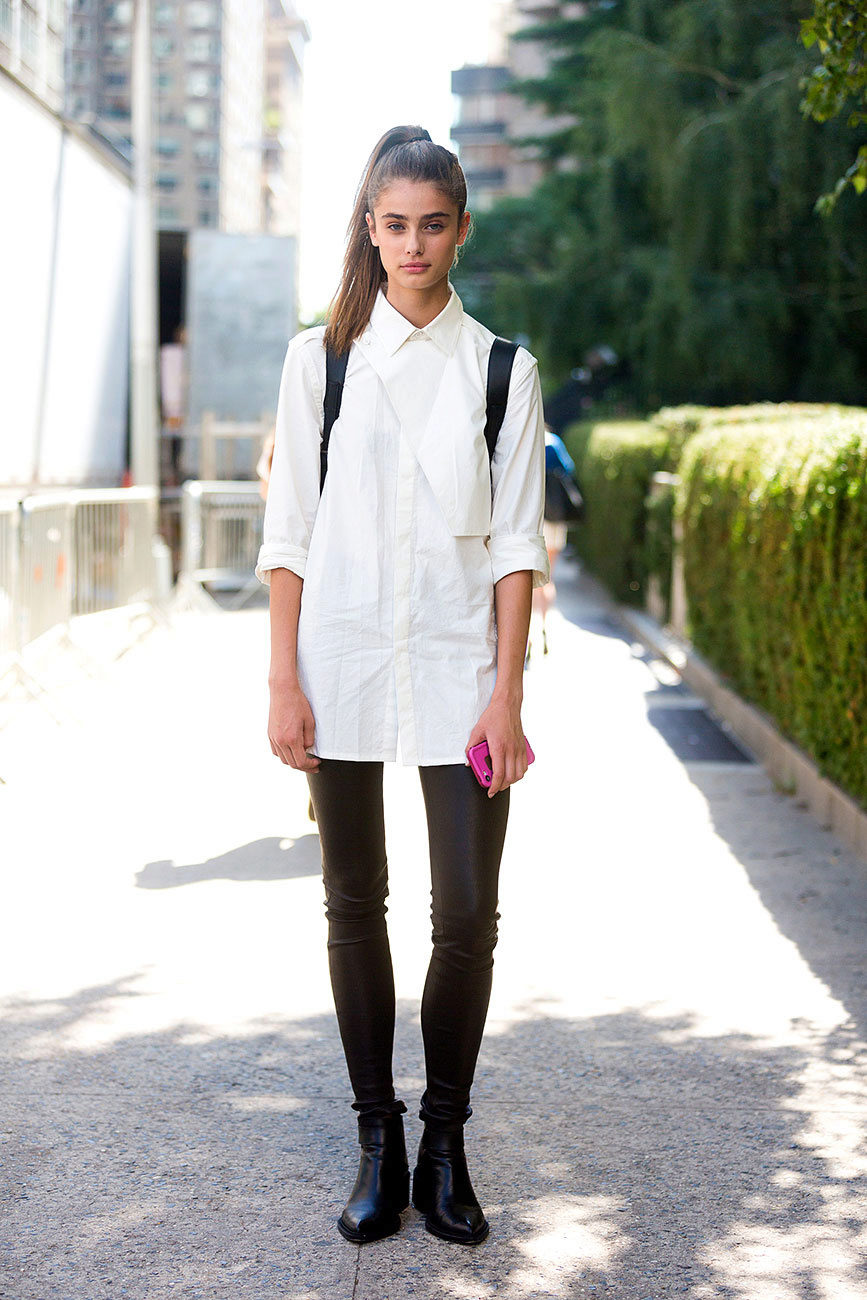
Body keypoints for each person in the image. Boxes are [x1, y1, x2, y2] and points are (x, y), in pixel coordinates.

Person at [255, 125, 549, 1246]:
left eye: (433, 225)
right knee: (352, 903)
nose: (413, 245)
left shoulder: (502, 370)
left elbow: (516, 547)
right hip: (337, 663)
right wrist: (282, 682)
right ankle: (377, 1139)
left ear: (461, 229)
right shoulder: (319, 362)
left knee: (466, 914)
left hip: (461, 669)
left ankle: (445, 1142)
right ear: (369, 230)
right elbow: (288, 532)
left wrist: (506, 696)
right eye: (394, 225)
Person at [527, 426, 578, 661]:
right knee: (548, 578)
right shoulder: (554, 443)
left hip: (534, 519)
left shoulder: (528, 441)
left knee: (529, 582)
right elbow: (569, 471)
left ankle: (528, 634)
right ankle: (545, 626)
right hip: (555, 520)